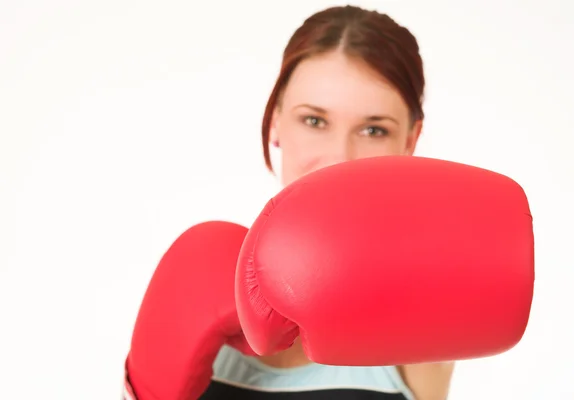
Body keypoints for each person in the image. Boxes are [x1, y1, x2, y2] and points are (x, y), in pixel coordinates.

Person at [126, 5, 456, 400]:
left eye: (373, 129)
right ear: (277, 119)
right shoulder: (200, 278)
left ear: (410, 140)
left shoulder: (419, 314)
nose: (340, 159)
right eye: (314, 121)